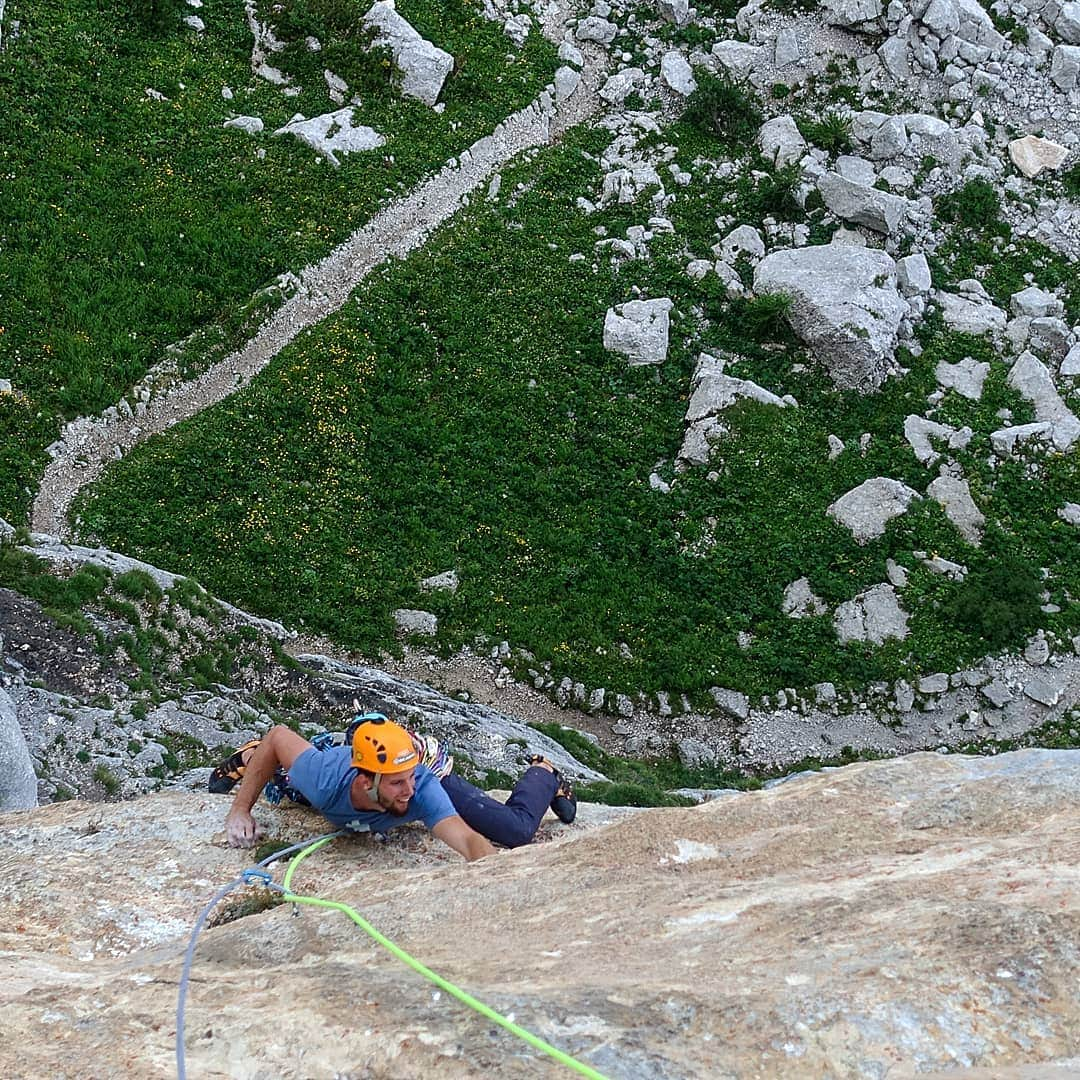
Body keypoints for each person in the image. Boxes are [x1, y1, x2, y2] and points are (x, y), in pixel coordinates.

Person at [210, 713, 577, 862]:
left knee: (515, 831)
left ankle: (543, 773)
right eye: (399, 785)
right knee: (295, 788)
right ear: (366, 782)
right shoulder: (325, 779)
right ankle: (256, 759)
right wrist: (240, 810)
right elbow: (277, 736)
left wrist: (492, 875)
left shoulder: (422, 786)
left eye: (409, 783)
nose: (409, 790)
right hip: (350, 767)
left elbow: (467, 840)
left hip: (427, 760)